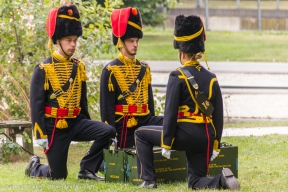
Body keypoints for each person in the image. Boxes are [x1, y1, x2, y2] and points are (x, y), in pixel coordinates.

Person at [134, 15, 240, 190]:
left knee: (140, 134)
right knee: (196, 182)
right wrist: (216, 143)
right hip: (206, 137)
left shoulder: (177, 75)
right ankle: (222, 180)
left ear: (181, 52)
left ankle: (149, 180)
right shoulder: (212, 78)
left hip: (184, 135)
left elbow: (170, 113)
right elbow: (217, 115)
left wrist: (167, 142)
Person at [24, 3, 116, 180]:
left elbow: (83, 101)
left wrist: (88, 124)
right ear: (58, 40)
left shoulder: (78, 66)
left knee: (108, 131)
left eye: (75, 40)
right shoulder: (44, 68)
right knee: (58, 176)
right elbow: (36, 104)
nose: (73, 44)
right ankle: (35, 166)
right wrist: (40, 134)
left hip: (76, 122)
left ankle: (87, 169)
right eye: (69, 40)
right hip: (55, 127)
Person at [99, 7, 163, 149]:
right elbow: (107, 108)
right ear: (121, 42)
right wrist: (110, 135)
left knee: (172, 122)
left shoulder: (144, 68)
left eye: (136, 41)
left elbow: (149, 103)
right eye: (130, 41)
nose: (135, 45)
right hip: (124, 126)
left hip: (145, 121)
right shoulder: (111, 70)